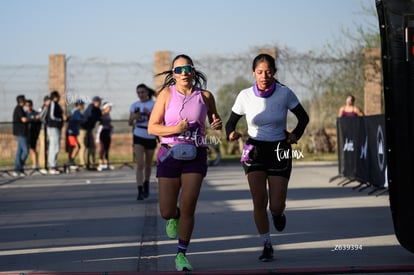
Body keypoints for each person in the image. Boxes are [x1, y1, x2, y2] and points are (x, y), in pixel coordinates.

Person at [225, 53, 309, 262]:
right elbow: (230, 124)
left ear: (274, 73)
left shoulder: (284, 93)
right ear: (253, 72)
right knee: (259, 200)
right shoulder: (245, 96)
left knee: (276, 205)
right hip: (254, 150)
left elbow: (303, 117)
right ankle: (266, 243)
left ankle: (278, 214)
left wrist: (295, 135)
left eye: (268, 72)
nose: (264, 76)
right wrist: (231, 134)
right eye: (260, 72)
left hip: (279, 149)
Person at [148, 54, 222, 271]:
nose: (183, 73)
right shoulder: (165, 95)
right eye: (178, 70)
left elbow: (214, 120)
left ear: (192, 70)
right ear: (173, 74)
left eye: (187, 68)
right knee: (166, 211)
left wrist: (217, 123)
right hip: (169, 154)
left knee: (189, 205)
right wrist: (175, 129)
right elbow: (153, 127)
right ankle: (173, 217)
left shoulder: (205, 96)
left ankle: (181, 254)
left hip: (196, 155)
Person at [129, 83, 157, 200]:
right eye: (138, 92)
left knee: (148, 165)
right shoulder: (134, 105)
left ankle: (146, 183)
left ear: (147, 93)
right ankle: (139, 189)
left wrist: (149, 114)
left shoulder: (153, 104)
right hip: (138, 134)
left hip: (150, 135)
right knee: (140, 164)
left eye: (143, 92)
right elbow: (130, 123)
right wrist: (134, 117)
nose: (141, 94)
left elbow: (158, 120)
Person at [80, 96, 102, 170]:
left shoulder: (97, 109)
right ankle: (83, 164)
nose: (100, 103)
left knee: (92, 147)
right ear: (95, 102)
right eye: (98, 101)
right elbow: (90, 116)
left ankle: (92, 163)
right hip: (83, 129)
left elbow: (100, 117)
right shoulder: (91, 108)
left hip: (90, 130)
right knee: (84, 146)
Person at [46, 91, 64, 174]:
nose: (59, 98)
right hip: (53, 127)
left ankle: (54, 165)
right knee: (54, 146)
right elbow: (51, 116)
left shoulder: (57, 105)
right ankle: (52, 166)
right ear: (55, 97)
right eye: (58, 96)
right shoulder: (52, 103)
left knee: (55, 146)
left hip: (57, 127)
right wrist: (60, 119)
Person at [11, 95, 28, 177]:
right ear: (21, 101)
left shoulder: (20, 109)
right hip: (20, 133)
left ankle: (18, 169)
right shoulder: (19, 108)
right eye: (24, 101)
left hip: (21, 132)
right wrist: (31, 118)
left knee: (20, 151)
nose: (25, 102)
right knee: (25, 150)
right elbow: (23, 119)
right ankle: (18, 167)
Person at [66, 100, 85, 167]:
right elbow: (82, 120)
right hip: (71, 132)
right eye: (82, 105)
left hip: (73, 132)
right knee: (77, 146)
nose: (83, 106)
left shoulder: (76, 112)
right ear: (79, 105)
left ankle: (70, 161)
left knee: (72, 147)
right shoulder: (76, 112)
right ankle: (70, 161)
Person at [96, 101, 113, 171]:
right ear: (105, 107)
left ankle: (106, 163)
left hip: (107, 132)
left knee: (107, 148)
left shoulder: (108, 114)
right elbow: (99, 124)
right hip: (102, 132)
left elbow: (108, 123)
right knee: (102, 148)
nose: (110, 108)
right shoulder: (101, 114)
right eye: (109, 107)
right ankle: (100, 163)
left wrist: (110, 126)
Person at [25, 99, 41, 170]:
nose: (28, 107)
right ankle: (23, 164)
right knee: (25, 150)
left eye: (30, 105)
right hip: (25, 133)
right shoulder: (24, 113)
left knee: (32, 149)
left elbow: (38, 120)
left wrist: (33, 118)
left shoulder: (35, 113)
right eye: (27, 105)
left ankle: (35, 164)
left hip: (33, 134)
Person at [38, 95, 51, 174]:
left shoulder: (47, 108)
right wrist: (46, 123)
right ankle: (42, 165)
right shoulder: (45, 108)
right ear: (46, 101)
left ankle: (46, 164)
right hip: (43, 130)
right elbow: (40, 117)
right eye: (49, 101)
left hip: (47, 130)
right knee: (43, 147)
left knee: (47, 147)